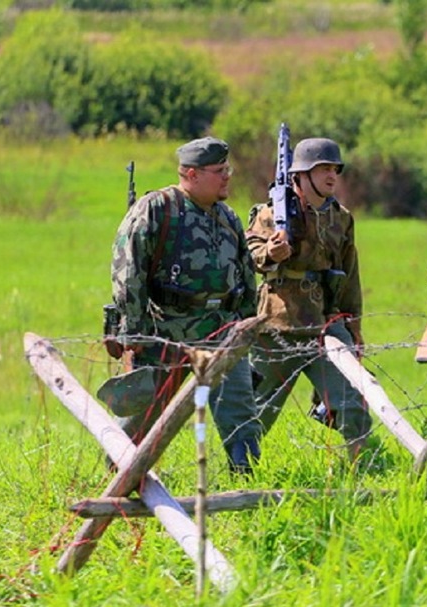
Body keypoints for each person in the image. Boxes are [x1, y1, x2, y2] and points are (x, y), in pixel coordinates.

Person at [106, 136, 263, 475]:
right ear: (191, 174)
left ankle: (247, 491)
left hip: (222, 333)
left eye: (228, 169)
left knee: (240, 417)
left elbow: (245, 273)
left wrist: (247, 325)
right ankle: (116, 480)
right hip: (165, 332)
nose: (228, 177)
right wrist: (137, 332)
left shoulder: (227, 217)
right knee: (142, 418)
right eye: (219, 171)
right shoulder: (157, 209)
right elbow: (128, 272)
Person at [246, 137, 372, 462]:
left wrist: (353, 325)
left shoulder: (341, 218)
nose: (331, 175)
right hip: (275, 326)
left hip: (324, 326)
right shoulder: (270, 213)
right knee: (255, 412)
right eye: (322, 169)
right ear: (301, 175)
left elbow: (349, 272)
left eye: (334, 169)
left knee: (354, 401)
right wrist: (271, 253)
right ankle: (237, 472)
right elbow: (248, 253)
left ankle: (359, 472)